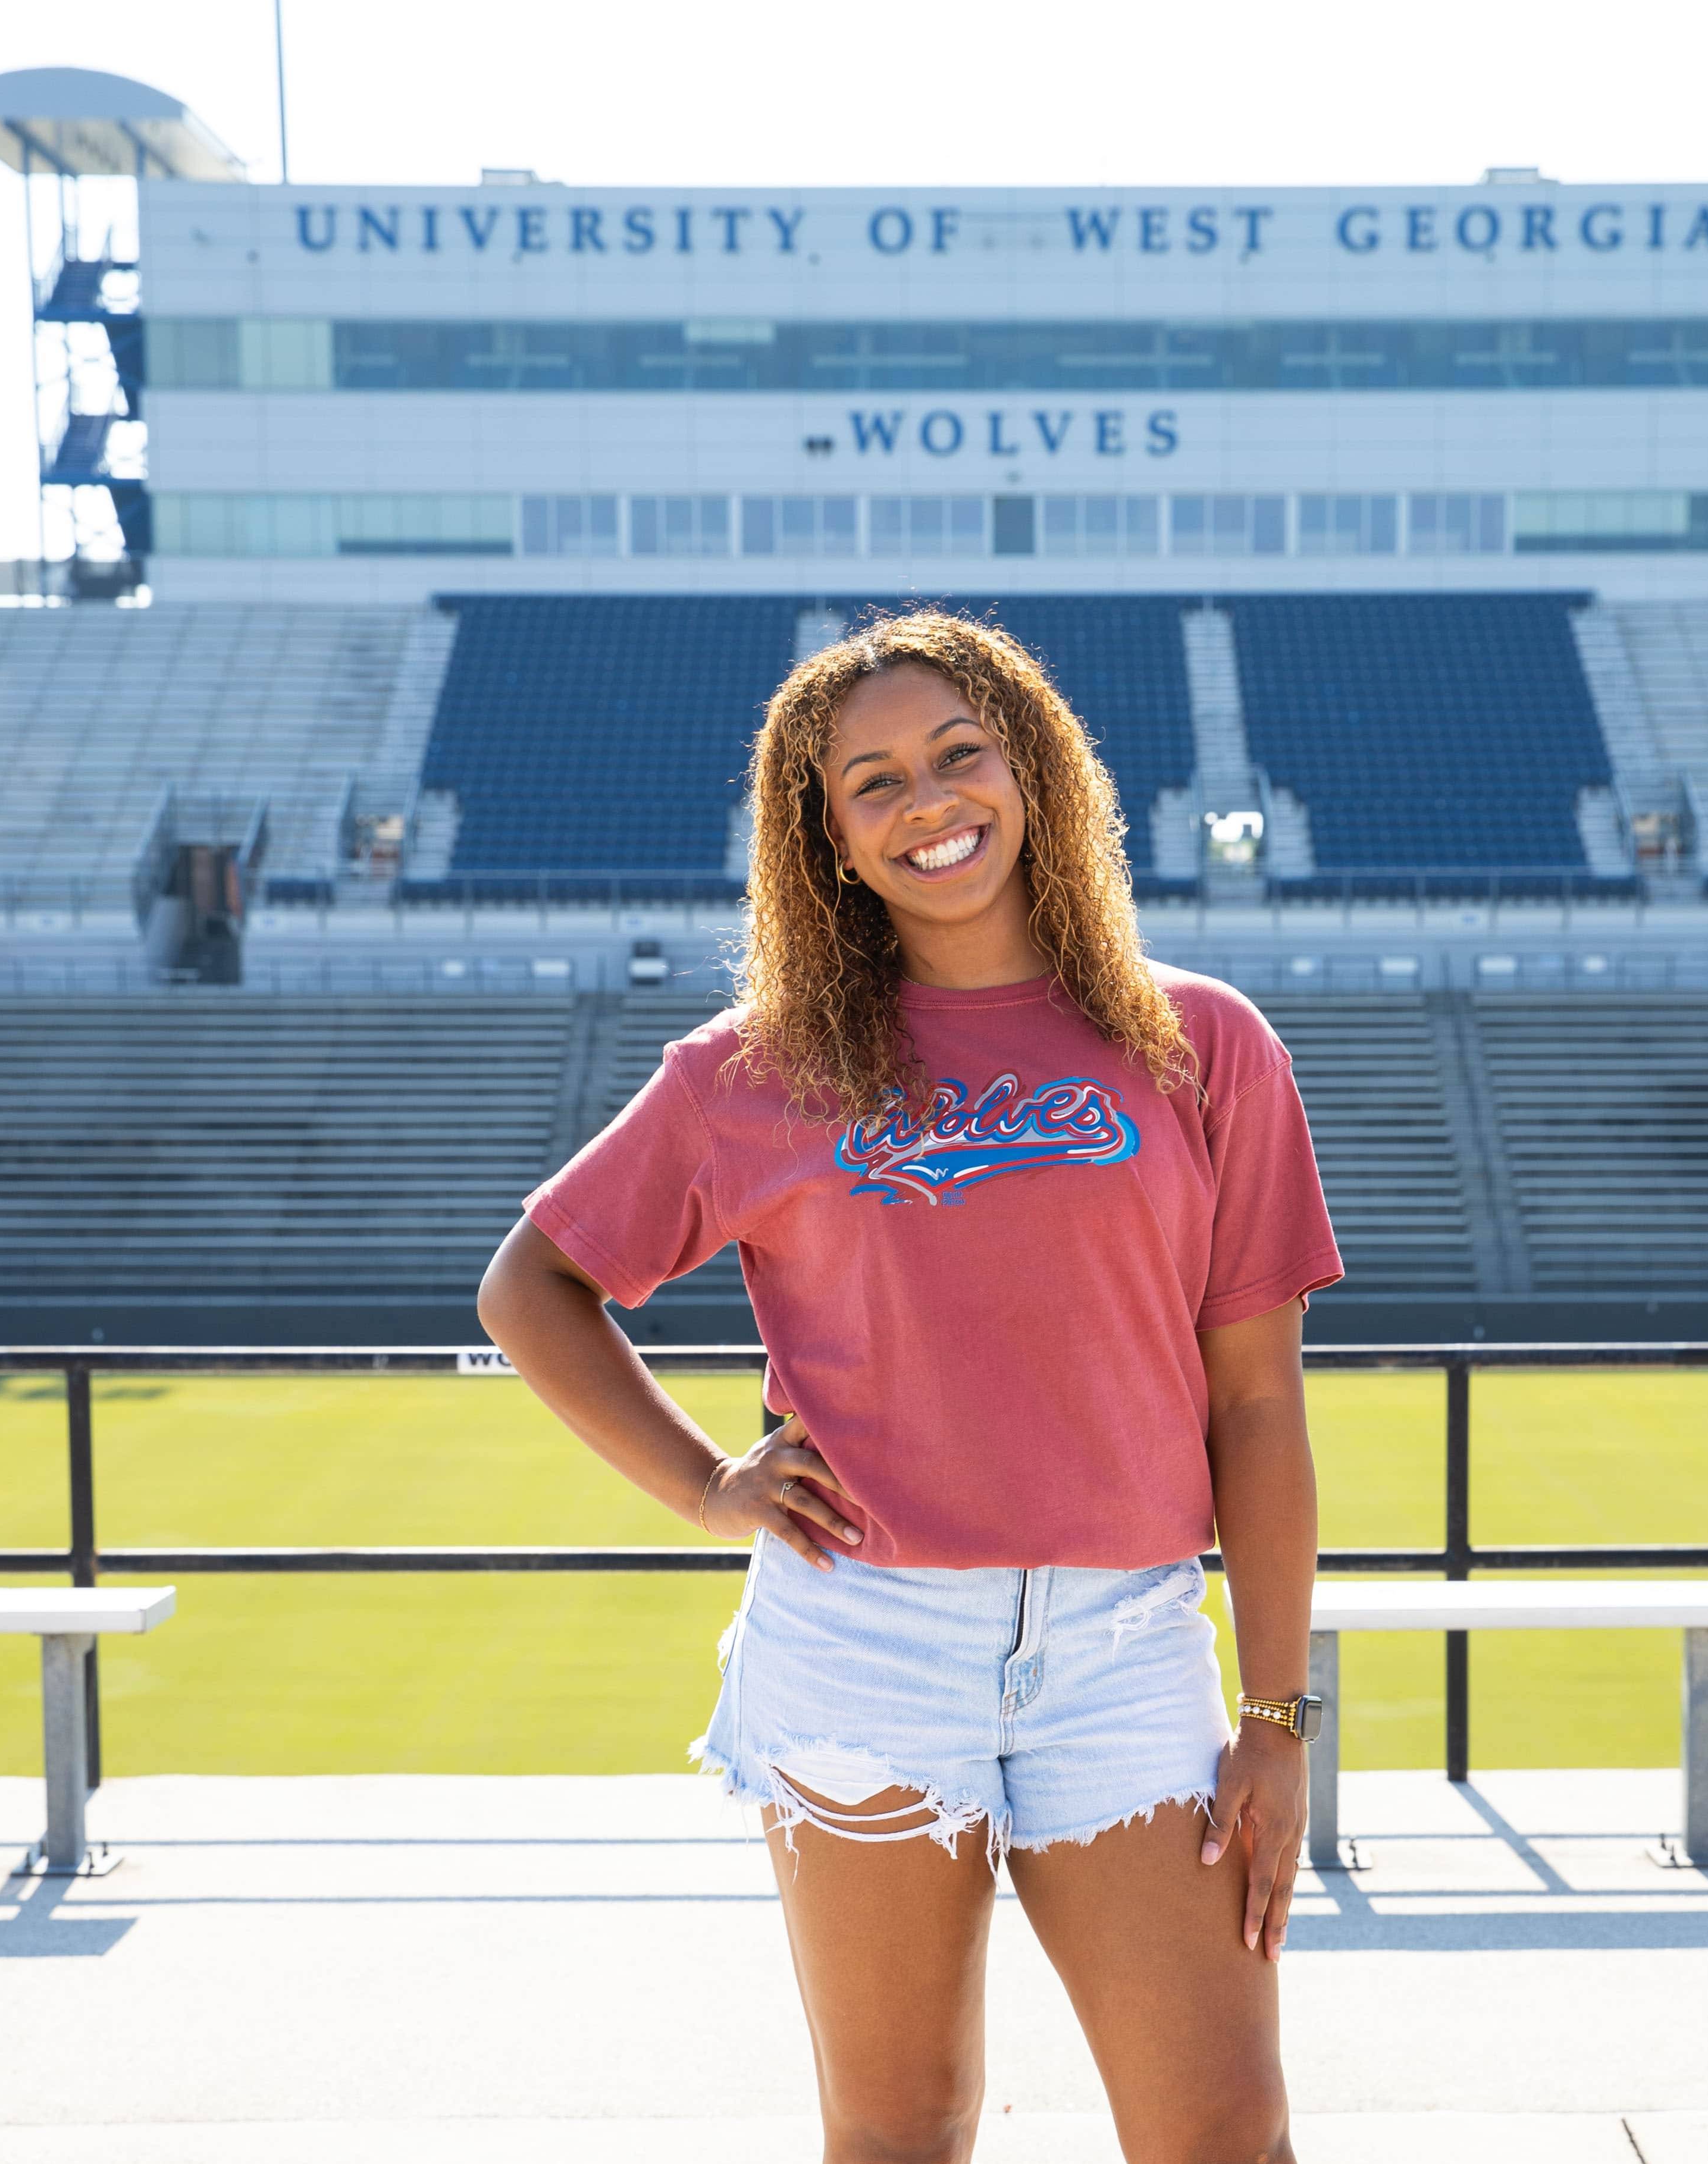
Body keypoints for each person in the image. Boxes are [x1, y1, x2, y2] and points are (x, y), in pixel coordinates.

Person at [478, 609, 1342, 2164]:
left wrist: (1278, 1711)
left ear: (1036, 767)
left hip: (1127, 1657)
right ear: (825, 836)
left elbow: (1260, 1408)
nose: (929, 803)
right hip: (860, 1649)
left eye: (959, 753)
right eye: (872, 782)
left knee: (1224, 2134)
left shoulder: (1203, 1044)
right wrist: (702, 1484)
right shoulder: (748, 1072)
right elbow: (532, 1286)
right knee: (902, 2135)